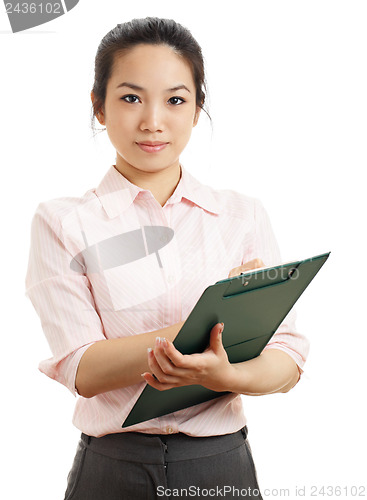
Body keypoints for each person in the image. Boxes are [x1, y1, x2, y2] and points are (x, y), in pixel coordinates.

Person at [25, 17, 309, 500]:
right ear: (98, 106)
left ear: (197, 109)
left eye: (176, 100)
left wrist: (230, 375)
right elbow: (84, 369)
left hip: (221, 465)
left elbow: (288, 356)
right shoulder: (62, 222)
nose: (153, 121)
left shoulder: (240, 215)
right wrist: (211, 328)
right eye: (131, 97)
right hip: (111, 471)